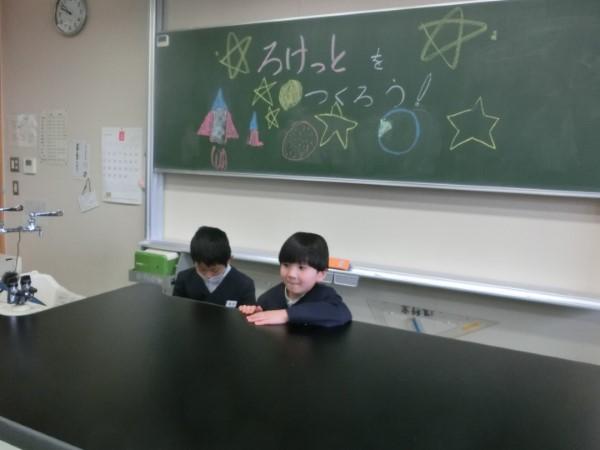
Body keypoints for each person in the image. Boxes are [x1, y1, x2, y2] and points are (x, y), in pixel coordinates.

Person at [239, 232, 352, 327]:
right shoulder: (268, 298)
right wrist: (253, 311)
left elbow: (342, 313)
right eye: (286, 265)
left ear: (320, 274)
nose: (291, 274)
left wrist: (286, 314)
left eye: (301, 268)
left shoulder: (325, 295)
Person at [172, 226, 255, 308]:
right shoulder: (184, 278)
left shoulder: (244, 285)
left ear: (229, 260)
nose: (208, 276)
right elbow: (176, 309)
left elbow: (249, 314)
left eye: (214, 270)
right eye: (202, 270)